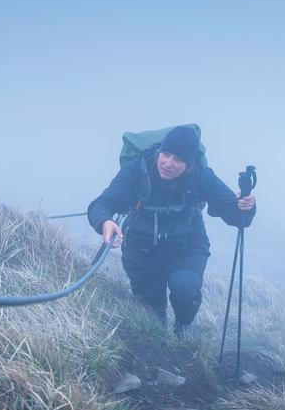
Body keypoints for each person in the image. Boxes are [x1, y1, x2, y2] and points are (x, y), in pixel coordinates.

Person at [87, 125, 256, 338]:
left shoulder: (201, 176)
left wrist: (246, 206)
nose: (168, 163)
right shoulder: (138, 169)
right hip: (141, 249)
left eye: (178, 159)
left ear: (189, 163)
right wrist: (104, 221)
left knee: (184, 287)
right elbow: (102, 203)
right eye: (165, 154)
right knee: (152, 317)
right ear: (159, 150)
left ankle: (182, 326)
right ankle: (161, 341)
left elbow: (236, 216)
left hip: (187, 246)